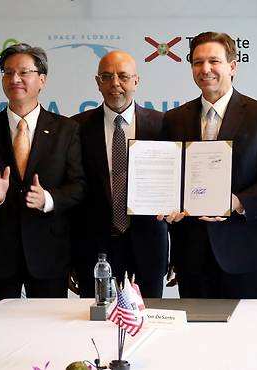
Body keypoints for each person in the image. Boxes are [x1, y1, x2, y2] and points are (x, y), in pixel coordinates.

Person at [160, 32, 257, 299]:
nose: (205, 69)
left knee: (249, 338)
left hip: (248, 254)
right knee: (197, 339)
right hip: (192, 255)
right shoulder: (174, 119)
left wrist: (234, 202)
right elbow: (170, 178)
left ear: (232, 66)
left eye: (214, 61)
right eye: (197, 62)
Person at [0, 43, 85, 310]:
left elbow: (79, 186)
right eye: (7, 72)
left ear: (42, 80)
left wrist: (48, 199)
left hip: (49, 252)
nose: (14, 79)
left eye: (23, 72)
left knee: (49, 336)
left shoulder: (66, 129)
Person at [70, 50, 168, 298]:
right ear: (97, 82)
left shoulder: (162, 125)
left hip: (149, 244)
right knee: (94, 324)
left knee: (150, 322)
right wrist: (69, 257)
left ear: (136, 80)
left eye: (123, 76)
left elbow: (173, 189)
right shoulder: (76, 128)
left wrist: (177, 254)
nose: (115, 84)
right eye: (107, 76)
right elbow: (72, 194)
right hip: (94, 248)